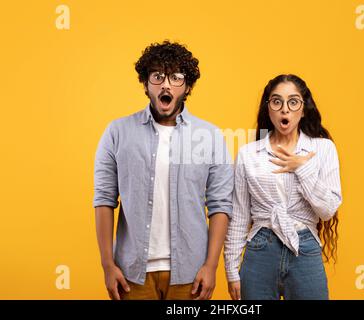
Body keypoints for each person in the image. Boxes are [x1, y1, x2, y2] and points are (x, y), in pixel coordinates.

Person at [93, 40, 233, 300]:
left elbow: (220, 205)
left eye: (176, 77)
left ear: (188, 86)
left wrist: (211, 266)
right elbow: (103, 199)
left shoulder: (210, 136)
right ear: (146, 84)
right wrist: (107, 265)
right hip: (131, 274)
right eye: (157, 76)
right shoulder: (117, 132)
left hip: (190, 273)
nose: (166, 84)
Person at [224, 74, 342, 300]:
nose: (285, 109)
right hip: (260, 248)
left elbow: (327, 211)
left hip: (304, 247)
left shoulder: (323, 149)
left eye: (293, 102)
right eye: (277, 102)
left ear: (303, 109)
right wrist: (231, 270)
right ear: (268, 109)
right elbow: (239, 216)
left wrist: (302, 168)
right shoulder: (249, 155)